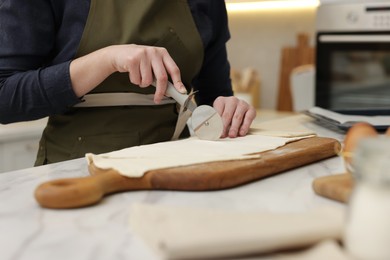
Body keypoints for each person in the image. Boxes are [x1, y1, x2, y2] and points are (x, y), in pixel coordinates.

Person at [0, 0, 256, 165]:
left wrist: (228, 109)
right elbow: (4, 97)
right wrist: (106, 60)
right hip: (78, 174)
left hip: (180, 169)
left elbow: (215, 95)